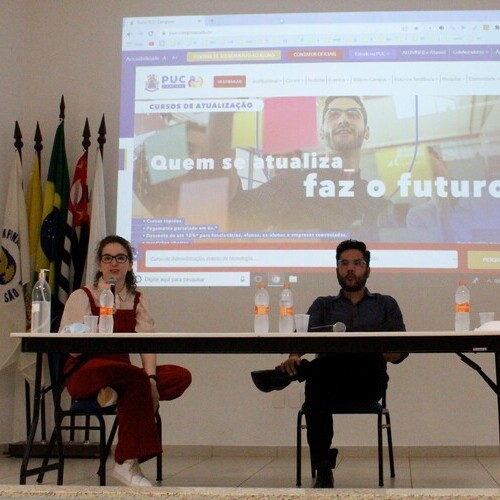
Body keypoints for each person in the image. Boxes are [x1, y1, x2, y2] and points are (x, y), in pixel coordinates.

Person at [251, 239, 407, 488]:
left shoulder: (385, 304)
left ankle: (294, 374)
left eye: (357, 263)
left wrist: (388, 352)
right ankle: (323, 467)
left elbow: (401, 350)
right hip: (327, 385)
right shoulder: (323, 304)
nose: (350, 269)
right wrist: (294, 355)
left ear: (368, 269)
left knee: (337, 362)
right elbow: (300, 339)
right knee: (318, 387)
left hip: (368, 382)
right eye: (344, 264)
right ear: (337, 270)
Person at [59, 235, 192, 487]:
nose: (114, 264)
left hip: (125, 375)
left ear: (130, 264)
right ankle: (126, 462)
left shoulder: (137, 298)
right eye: (108, 258)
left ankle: (114, 394)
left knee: (178, 375)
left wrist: (151, 380)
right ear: (99, 264)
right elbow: (71, 348)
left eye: (120, 258)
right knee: (133, 378)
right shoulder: (83, 296)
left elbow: (146, 343)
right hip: (86, 371)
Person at [229, 96, 388, 240]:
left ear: (367, 132)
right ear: (321, 133)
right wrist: (226, 110)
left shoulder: (376, 198)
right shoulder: (293, 184)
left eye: (353, 114)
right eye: (333, 115)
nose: (343, 120)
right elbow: (241, 214)